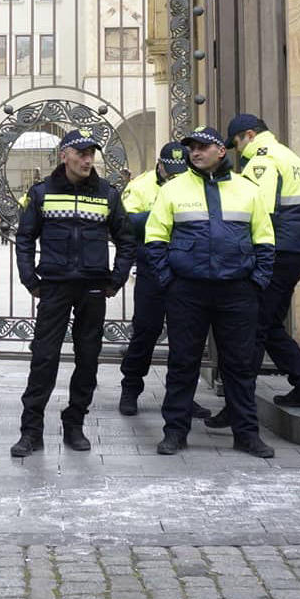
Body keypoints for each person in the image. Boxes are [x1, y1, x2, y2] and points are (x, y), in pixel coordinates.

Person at [144, 126, 276, 458]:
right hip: (187, 291)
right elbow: (155, 238)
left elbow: (265, 239)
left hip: (237, 292)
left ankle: (246, 433)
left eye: (203, 147)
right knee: (182, 362)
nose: (195, 152)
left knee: (240, 365)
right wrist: (169, 281)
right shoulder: (173, 189)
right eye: (192, 147)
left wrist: (256, 281)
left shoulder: (248, 190)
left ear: (221, 151)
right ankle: (175, 431)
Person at [10, 129, 135, 458]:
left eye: (91, 153)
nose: (87, 159)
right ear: (63, 155)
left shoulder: (107, 193)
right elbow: (24, 238)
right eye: (80, 153)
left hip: (93, 286)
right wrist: (29, 278)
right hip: (54, 285)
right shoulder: (42, 193)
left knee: (88, 358)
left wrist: (117, 279)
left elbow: (127, 240)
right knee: (44, 358)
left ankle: (75, 422)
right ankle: (31, 430)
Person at [216, 113, 300, 416]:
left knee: (253, 328)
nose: (238, 151)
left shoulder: (262, 160)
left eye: (237, 144)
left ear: (249, 135)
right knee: (269, 324)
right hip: (296, 252)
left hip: (274, 254)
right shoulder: (293, 160)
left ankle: (238, 405)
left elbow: (257, 210)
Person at [117, 141, 192, 417]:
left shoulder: (193, 184)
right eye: (168, 170)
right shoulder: (140, 186)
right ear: (159, 164)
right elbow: (125, 222)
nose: (173, 176)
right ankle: (130, 388)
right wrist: (163, 214)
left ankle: (182, 396)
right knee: (146, 331)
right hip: (151, 268)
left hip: (184, 270)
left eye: (179, 172)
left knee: (184, 337)